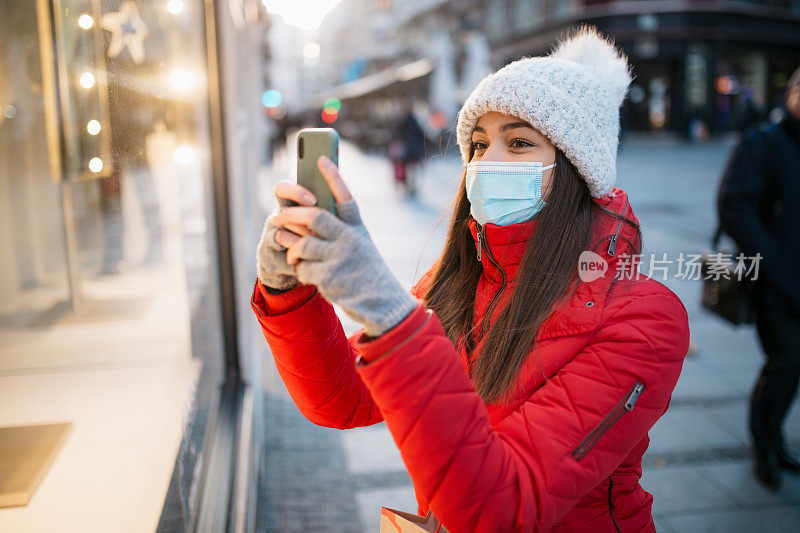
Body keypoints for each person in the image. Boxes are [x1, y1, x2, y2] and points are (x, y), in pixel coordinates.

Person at [252, 26, 689, 532]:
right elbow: (341, 398)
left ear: (577, 167)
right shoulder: (467, 276)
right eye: (479, 144)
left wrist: (387, 313)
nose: (488, 162)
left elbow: (502, 509)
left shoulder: (646, 320)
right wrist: (290, 293)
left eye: (520, 142)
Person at [717, 66, 800, 490]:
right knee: (785, 362)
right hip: (776, 282)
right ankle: (764, 446)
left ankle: (776, 440)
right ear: (792, 93)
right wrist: (771, 261)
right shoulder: (764, 143)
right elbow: (734, 206)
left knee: (793, 368)